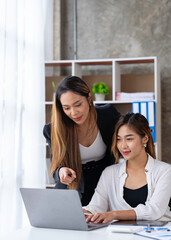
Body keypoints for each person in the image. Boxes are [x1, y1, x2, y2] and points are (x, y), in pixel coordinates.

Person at [43, 76, 120, 205]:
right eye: (66, 108)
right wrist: (61, 171)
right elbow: (56, 168)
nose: (74, 113)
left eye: (78, 104)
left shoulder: (108, 115)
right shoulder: (52, 130)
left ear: (89, 98)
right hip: (73, 184)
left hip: (105, 180)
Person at [83, 112, 171, 223]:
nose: (123, 146)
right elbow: (95, 207)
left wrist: (114, 214)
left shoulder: (165, 171)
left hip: (158, 234)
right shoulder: (109, 173)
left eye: (129, 139)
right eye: (119, 139)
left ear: (145, 139)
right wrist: (82, 212)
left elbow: (154, 210)